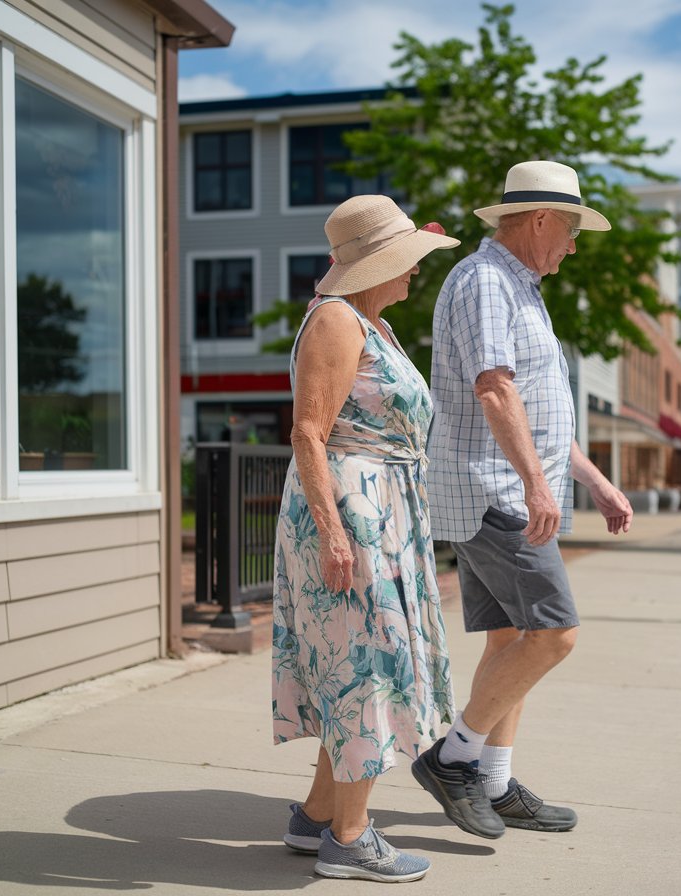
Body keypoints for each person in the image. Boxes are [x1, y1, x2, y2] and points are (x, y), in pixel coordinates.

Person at [414, 160, 634, 838]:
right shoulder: (486, 281)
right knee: (554, 634)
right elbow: (495, 390)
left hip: (505, 485)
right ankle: (454, 761)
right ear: (540, 220)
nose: (572, 247)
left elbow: (538, 407)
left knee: (512, 639)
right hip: (494, 491)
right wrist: (538, 485)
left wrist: (592, 480)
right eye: (570, 232)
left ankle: (496, 779)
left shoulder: (518, 284)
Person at [272, 195, 460, 882]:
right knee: (369, 665)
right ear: (380, 263)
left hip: (379, 507)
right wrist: (334, 534)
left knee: (357, 663)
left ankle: (319, 814)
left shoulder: (368, 322)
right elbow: (308, 433)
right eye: (408, 260)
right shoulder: (336, 320)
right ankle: (349, 839)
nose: (414, 272)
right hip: (352, 508)